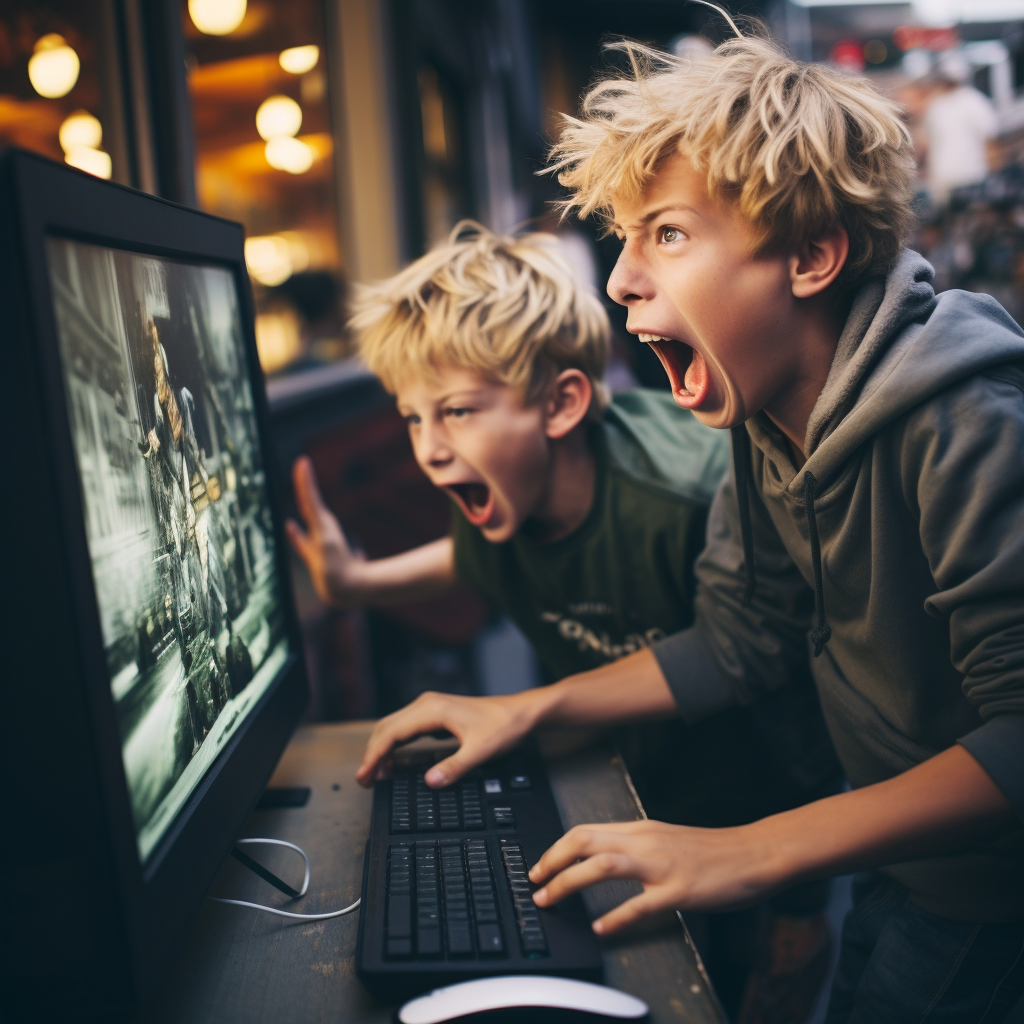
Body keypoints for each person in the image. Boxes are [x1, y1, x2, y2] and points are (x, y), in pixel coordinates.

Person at [355, 33, 1024, 1023]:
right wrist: (524, 711)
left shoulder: (964, 424)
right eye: (622, 239)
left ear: (809, 255)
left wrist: (751, 848)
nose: (620, 281)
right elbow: (737, 638)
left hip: (982, 893)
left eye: (664, 233)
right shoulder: (765, 418)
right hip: (902, 859)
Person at [287, 222, 843, 1018]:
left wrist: (801, 897)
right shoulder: (508, 502)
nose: (431, 449)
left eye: (457, 411)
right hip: (643, 791)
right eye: (412, 419)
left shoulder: (684, 498)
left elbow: (755, 660)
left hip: (766, 813)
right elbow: (470, 556)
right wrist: (358, 583)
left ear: (561, 404)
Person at [922, 51, 998, 205]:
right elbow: (929, 142)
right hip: (945, 178)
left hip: (970, 176)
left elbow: (990, 141)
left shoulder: (973, 101)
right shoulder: (936, 105)